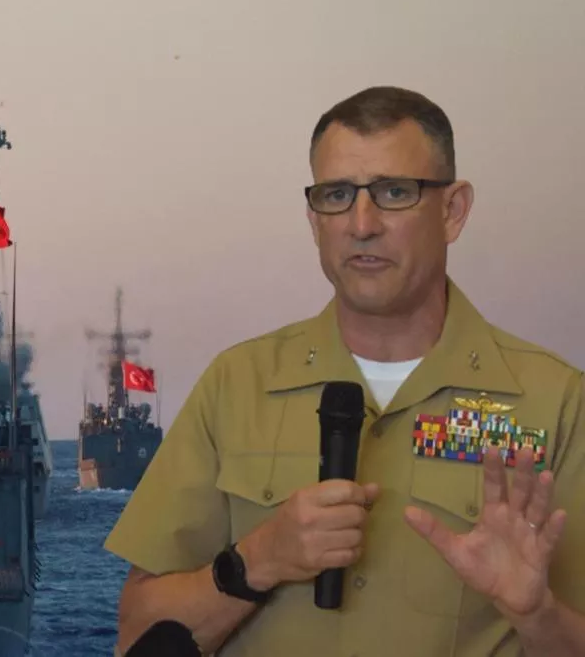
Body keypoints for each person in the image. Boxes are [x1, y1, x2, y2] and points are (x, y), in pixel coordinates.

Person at [103, 85, 585, 656]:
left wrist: (535, 615)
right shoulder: (236, 386)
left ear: (452, 211)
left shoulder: (555, 403)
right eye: (336, 195)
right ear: (314, 220)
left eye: (394, 192)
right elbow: (137, 636)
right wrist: (259, 559)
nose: (362, 223)